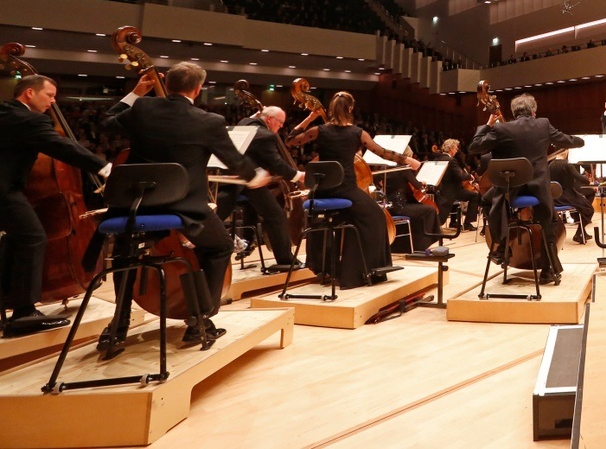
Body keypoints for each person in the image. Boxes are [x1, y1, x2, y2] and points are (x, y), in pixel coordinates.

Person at [102, 63, 270, 348]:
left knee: (125, 252)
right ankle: (199, 321)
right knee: (219, 247)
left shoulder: (143, 108)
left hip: (136, 204)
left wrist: (135, 92)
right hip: (182, 206)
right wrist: (254, 176)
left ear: (167, 86)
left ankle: (118, 323)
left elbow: (107, 122)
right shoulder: (208, 121)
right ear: (197, 89)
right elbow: (233, 159)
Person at [1, 75, 113, 337]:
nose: (53, 101)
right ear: (29, 93)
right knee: (32, 237)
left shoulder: (5, 113)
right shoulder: (30, 119)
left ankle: (10, 304)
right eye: (49, 95)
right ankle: (24, 314)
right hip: (5, 191)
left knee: (13, 241)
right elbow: (62, 147)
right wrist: (105, 167)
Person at [287, 91, 410, 288]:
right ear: (351, 108)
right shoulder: (357, 133)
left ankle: (328, 267)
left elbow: (291, 140)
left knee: (352, 218)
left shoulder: (319, 130)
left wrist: (311, 117)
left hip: (319, 190)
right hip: (344, 189)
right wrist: (408, 160)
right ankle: (359, 272)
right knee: (376, 218)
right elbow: (383, 153)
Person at [468, 93, 583, 283]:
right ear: (533, 111)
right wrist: (582, 141)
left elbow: (474, 146)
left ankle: (502, 246)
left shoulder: (502, 128)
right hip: (539, 190)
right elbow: (567, 141)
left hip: (511, 189)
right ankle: (548, 270)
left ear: (514, 113)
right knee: (549, 221)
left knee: (487, 201)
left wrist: (489, 124)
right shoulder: (543, 125)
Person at [219, 106, 303, 270]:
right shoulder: (266, 135)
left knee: (248, 208)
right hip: (249, 183)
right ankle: (285, 260)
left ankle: (248, 241)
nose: (280, 128)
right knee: (275, 215)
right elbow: (276, 164)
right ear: (270, 120)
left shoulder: (244, 122)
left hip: (230, 180)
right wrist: (298, 175)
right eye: (280, 123)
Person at [434, 139, 479, 230]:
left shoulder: (437, 159)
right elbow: (459, 176)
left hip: (441, 190)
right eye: (455, 148)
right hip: (452, 191)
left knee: (463, 194)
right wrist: (469, 176)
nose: (457, 150)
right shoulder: (451, 160)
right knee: (475, 196)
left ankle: (453, 222)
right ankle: (467, 223)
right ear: (450, 149)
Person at [549, 158, 596, 244]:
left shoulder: (551, 165)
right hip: (568, 197)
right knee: (589, 210)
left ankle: (582, 232)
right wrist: (589, 180)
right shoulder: (568, 165)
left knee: (582, 206)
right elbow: (583, 180)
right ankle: (579, 233)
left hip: (555, 198)